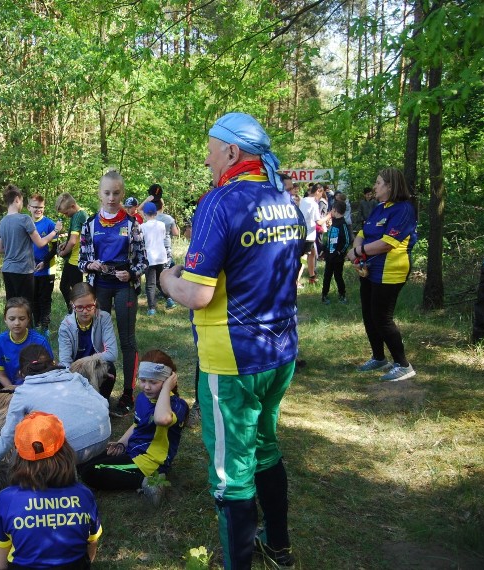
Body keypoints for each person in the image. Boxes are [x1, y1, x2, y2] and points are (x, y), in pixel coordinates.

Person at [160, 113, 305, 569]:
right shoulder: (286, 199)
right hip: (280, 352)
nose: (206, 160)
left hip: (233, 360)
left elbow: (198, 294)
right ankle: (278, 546)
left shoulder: (220, 202)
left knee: (231, 473)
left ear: (231, 152)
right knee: (265, 444)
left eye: (209, 150)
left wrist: (166, 279)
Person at [0, 412, 102, 570]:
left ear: (19, 455)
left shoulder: (6, 499)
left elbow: (1, 564)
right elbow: (91, 546)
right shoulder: (84, 494)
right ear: (65, 450)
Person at [78, 170, 148, 418]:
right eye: (107, 193)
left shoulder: (132, 225)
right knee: (99, 340)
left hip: (124, 286)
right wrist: (90, 265)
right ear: (99, 194)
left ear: (122, 194)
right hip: (99, 287)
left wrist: (131, 274)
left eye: (116, 193)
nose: (111, 198)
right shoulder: (89, 224)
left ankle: (128, 392)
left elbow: (143, 261)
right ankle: (98, 389)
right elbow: (81, 260)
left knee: (127, 339)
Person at [79, 350, 188, 507]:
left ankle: (148, 483)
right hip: (132, 450)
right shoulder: (143, 397)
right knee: (83, 461)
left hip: (149, 462)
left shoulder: (176, 405)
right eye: (143, 381)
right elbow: (137, 424)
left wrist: (166, 389)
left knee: (91, 472)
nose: (147, 387)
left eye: (154, 382)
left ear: (168, 381)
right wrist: (122, 443)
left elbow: (161, 419)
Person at [0, 344, 111, 469]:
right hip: (103, 437)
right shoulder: (75, 377)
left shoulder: (23, 393)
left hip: (68, 452)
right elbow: (104, 403)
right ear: (53, 363)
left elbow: (8, 435)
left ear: (21, 373)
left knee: (26, 449)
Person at [346, 167, 418, 382]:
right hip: (368, 269)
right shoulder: (379, 208)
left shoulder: (404, 209)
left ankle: (403, 364)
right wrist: (357, 253)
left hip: (391, 270)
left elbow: (387, 243)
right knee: (369, 315)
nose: (375, 187)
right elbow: (362, 233)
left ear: (390, 186)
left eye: (378, 183)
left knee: (382, 318)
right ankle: (379, 357)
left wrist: (357, 251)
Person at [0, 297, 53, 458]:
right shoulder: (0, 341)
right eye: (12, 319)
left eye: (22, 318)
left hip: (35, 389)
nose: (17, 323)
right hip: (9, 387)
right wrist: (11, 389)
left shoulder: (40, 341)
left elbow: (48, 374)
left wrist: (24, 390)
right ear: (5, 320)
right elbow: (1, 374)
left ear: (29, 319)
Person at [0, 185, 62, 305]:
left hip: (7, 269)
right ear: (17, 199)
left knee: (12, 304)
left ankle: (11, 323)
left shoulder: (2, 222)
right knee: (26, 305)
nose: (21, 204)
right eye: (22, 201)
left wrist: (14, 247)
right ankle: (28, 324)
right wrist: (55, 231)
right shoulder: (25, 219)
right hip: (24, 270)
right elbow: (41, 243)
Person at [57, 282, 118, 400]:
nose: (85, 311)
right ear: (72, 305)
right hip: (77, 369)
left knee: (110, 368)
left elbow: (112, 354)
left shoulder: (104, 318)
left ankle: (103, 403)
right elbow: (65, 362)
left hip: (96, 365)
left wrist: (86, 361)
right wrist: (79, 368)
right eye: (79, 307)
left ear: (95, 302)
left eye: (90, 306)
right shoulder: (66, 326)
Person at [28, 194, 58, 331]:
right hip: (31, 268)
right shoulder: (26, 223)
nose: (38, 210)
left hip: (48, 268)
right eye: (35, 207)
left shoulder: (50, 224)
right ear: (29, 207)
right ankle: (36, 324)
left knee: (45, 298)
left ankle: (45, 326)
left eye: (41, 207)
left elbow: (55, 248)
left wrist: (45, 262)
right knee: (33, 298)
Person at [55, 192, 89, 311]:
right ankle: (76, 311)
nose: (66, 215)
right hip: (76, 258)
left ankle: (75, 311)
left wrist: (63, 253)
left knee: (68, 288)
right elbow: (77, 238)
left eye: (66, 212)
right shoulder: (82, 214)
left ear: (73, 206)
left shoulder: (77, 216)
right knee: (72, 288)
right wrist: (66, 243)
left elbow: (74, 241)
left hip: (75, 260)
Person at [140, 201, 169, 316]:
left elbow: (141, 241)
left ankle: (152, 308)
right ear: (156, 213)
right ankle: (169, 299)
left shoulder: (142, 227)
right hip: (161, 257)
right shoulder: (161, 225)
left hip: (150, 258)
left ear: (145, 214)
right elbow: (162, 237)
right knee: (160, 281)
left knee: (150, 284)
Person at [321, 200, 352, 305]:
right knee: (327, 276)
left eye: (332, 210)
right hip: (329, 256)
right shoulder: (333, 223)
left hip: (337, 257)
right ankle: (324, 295)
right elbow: (329, 238)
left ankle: (342, 295)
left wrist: (339, 252)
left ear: (335, 210)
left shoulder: (343, 225)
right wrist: (325, 249)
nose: (331, 212)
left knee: (338, 276)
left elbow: (347, 241)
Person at [299, 185, 321, 284]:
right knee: (304, 258)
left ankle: (312, 276)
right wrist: (330, 215)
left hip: (303, 232)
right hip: (308, 235)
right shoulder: (313, 203)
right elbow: (319, 222)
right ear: (317, 191)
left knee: (313, 254)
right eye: (321, 193)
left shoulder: (303, 200)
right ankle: (296, 280)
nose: (321, 196)